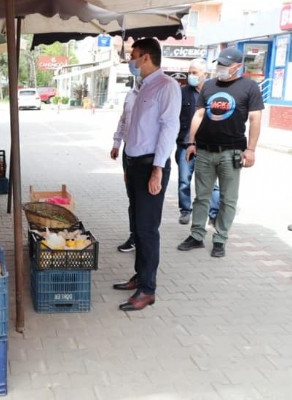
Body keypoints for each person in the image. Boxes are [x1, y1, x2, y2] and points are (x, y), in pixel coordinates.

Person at [112, 38, 181, 311]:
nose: (131, 60)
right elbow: (132, 125)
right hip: (134, 163)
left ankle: (148, 290)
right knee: (137, 226)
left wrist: (158, 169)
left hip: (152, 164)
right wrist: (125, 158)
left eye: (134, 55)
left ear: (146, 57)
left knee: (147, 229)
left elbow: (169, 129)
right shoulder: (141, 87)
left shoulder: (167, 87)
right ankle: (139, 276)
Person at [177, 48, 264, 257]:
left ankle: (220, 238)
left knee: (228, 199)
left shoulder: (249, 87)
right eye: (219, 64)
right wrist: (191, 142)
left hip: (231, 152)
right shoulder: (209, 86)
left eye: (226, 65)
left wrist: (250, 150)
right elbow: (198, 115)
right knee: (201, 197)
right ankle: (197, 235)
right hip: (205, 150)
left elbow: (255, 119)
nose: (221, 68)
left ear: (237, 67)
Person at [176, 58, 221, 226]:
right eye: (189, 72)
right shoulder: (182, 92)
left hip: (207, 147)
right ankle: (185, 211)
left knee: (211, 183)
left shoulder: (213, 92)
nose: (191, 75)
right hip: (185, 145)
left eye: (194, 72)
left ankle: (214, 213)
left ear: (205, 74)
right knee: (184, 180)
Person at [111, 75, 141, 253]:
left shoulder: (157, 92)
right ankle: (134, 235)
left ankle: (143, 236)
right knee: (133, 197)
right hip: (128, 151)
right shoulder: (130, 95)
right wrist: (116, 143)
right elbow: (123, 120)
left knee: (144, 200)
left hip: (147, 156)